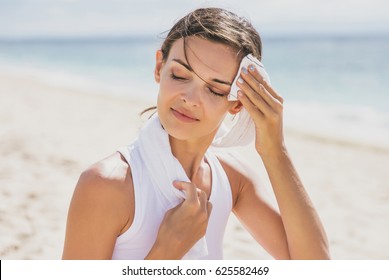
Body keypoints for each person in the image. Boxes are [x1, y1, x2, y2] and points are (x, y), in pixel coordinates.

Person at [62, 7, 330, 260]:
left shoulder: (232, 179)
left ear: (238, 103)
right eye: (180, 75)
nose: (190, 99)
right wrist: (166, 252)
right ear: (159, 67)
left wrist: (275, 151)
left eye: (215, 90)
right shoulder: (108, 185)